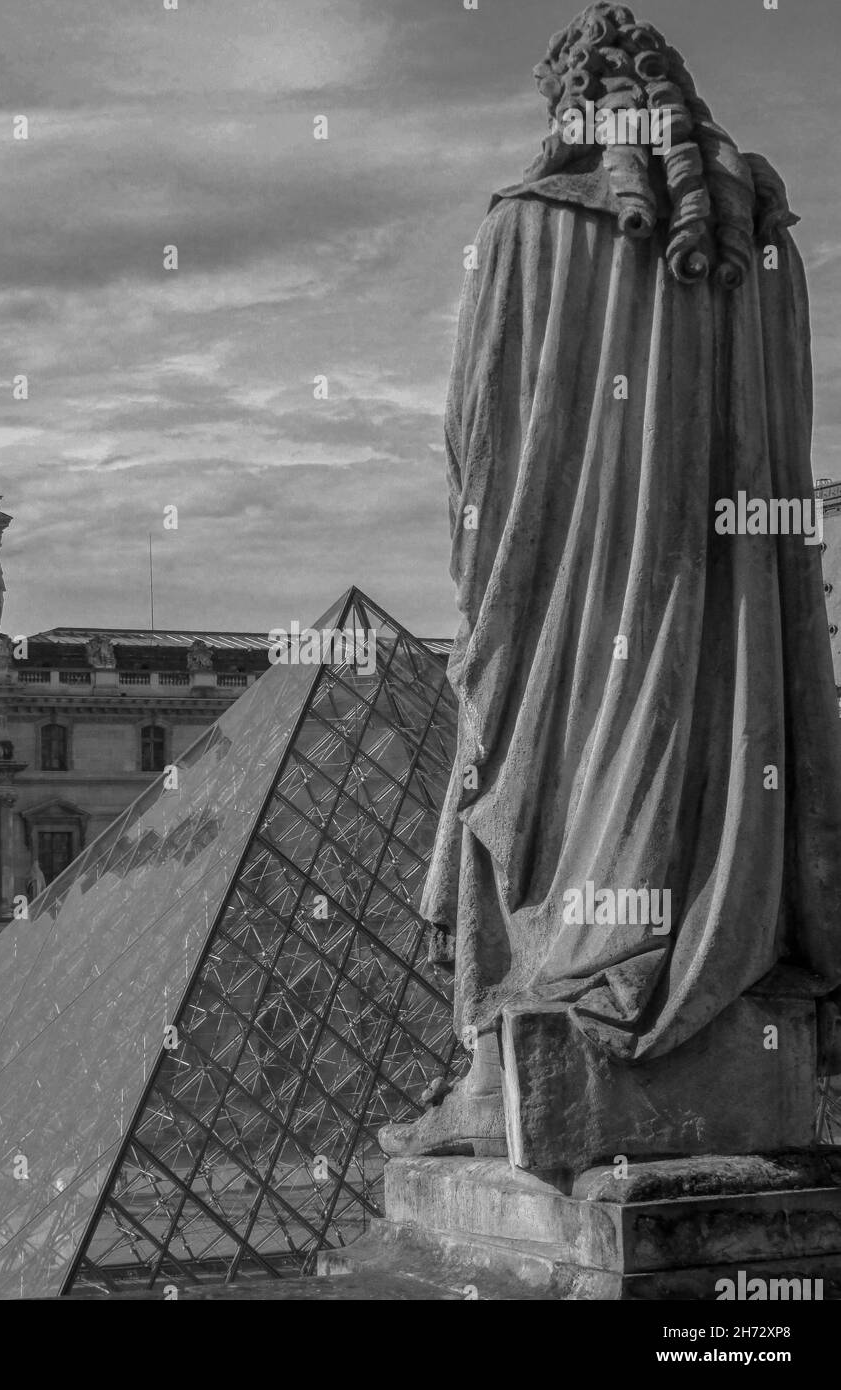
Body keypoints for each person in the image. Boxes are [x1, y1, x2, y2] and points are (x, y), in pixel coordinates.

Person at [381, 2, 841, 1157]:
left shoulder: (529, 226)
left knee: (535, 778)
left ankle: (506, 1068)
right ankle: (712, 954)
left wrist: (491, 589)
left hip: (576, 610)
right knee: (687, 758)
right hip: (732, 620)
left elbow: (478, 445)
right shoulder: (763, 238)